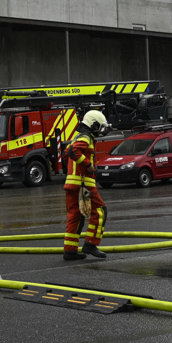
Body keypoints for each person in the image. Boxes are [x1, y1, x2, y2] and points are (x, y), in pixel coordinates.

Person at [62, 110, 110, 260]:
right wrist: (88, 165)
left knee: (75, 216)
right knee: (100, 211)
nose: (100, 131)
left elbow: (66, 154)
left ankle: (70, 251)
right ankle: (91, 244)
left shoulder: (77, 137)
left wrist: (74, 170)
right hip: (83, 184)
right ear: (93, 125)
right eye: (100, 127)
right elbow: (73, 151)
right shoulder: (86, 137)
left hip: (72, 184)